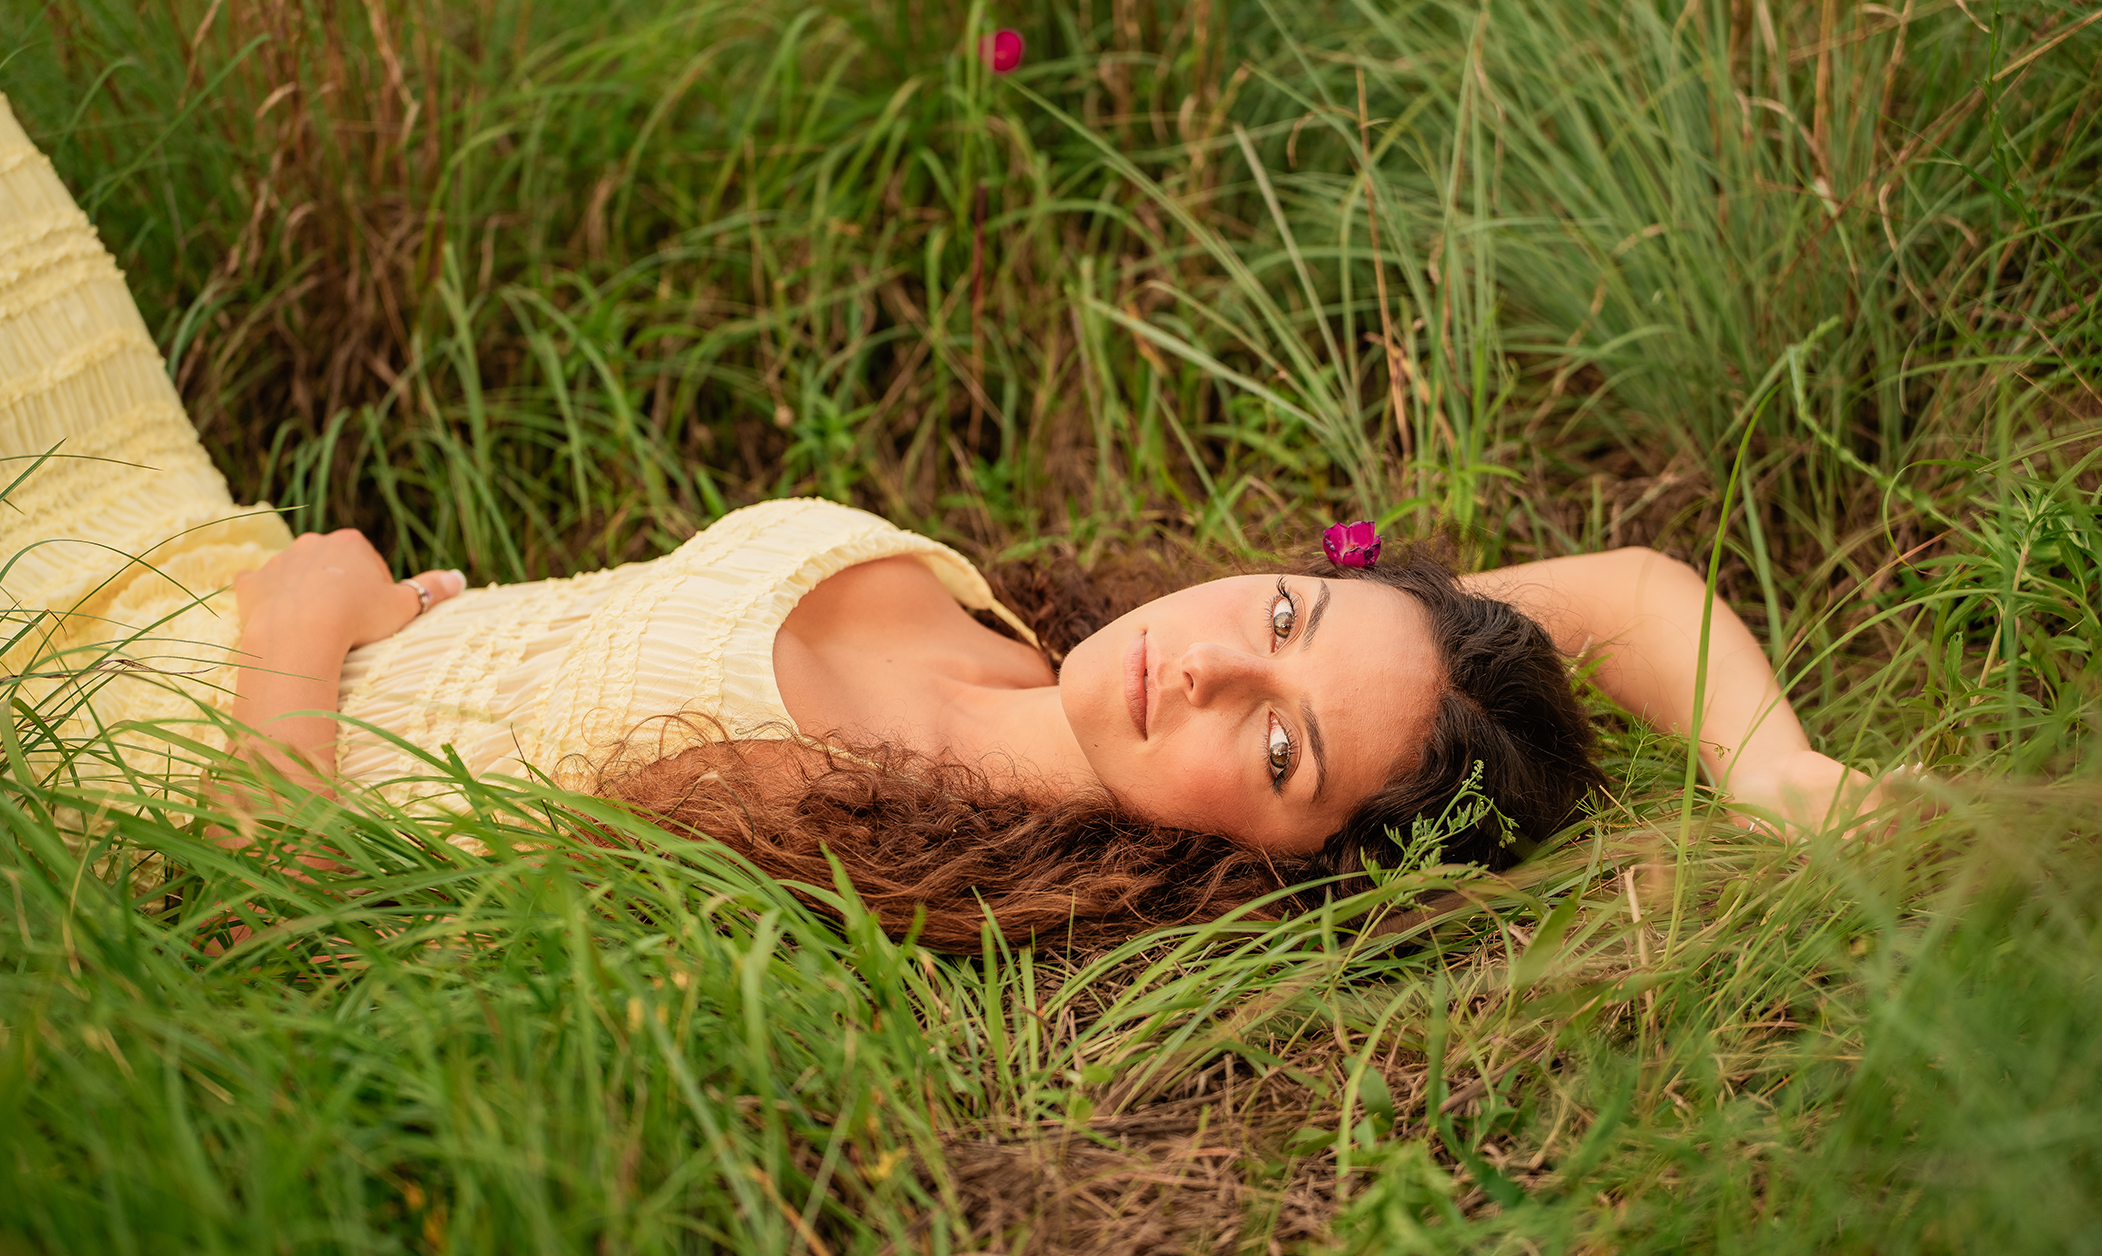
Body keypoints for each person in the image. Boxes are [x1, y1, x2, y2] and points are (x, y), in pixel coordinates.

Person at [0, 96, 1879, 950]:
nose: (1213, 661)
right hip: (144, 497)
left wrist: (298, 626)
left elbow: (268, 909)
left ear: (1268, 865)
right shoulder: (1048, 651)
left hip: (77, 712)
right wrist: (1779, 769)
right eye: (1290, 619)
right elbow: (1621, 597)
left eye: (1281, 747)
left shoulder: (873, 874)